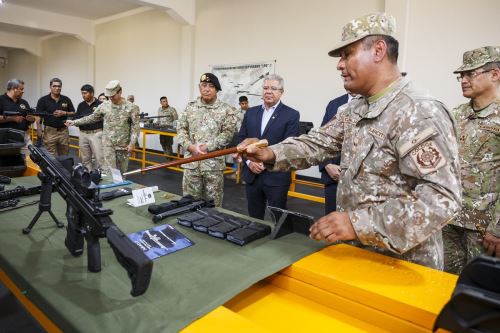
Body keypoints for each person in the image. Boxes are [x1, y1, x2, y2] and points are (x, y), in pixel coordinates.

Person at [238, 13, 462, 269]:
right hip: (355, 253)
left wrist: (357, 223)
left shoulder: (418, 111)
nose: (339, 65)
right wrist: (270, 154)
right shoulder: (355, 108)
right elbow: (318, 143)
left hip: (400, 264)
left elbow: (441, 198)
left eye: (347, 54)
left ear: (378, 50)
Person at [443, 46, 500, 274]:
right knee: (442, 282)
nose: (463, 80)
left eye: (470, 74)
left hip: (484, 227)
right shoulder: (456, 115)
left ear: (495, 74)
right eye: (461, 75)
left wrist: (497, 228)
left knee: (479, 289)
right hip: (449, 219)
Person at [237, 74, 300, 219]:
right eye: (265, 88)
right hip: (252, 175)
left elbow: (289, 146)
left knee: (278, 218)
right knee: (254, 218)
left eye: (273, 88)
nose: (268, 91)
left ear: (281, 92)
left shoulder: (291, 115)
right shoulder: (251, 113)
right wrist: (249, 161)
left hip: (276, 177)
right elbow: (241, 140)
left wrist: (265, 163)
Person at [176, 73, 238, 207]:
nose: (207, 89)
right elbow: (181, 129)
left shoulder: (227, 110)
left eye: (211, 86)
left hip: (213, 165)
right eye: (204, 85)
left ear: (217, 90)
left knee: (213, 206)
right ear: (199, 88)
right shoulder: (190, 107)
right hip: (191, 163)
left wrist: (207, 147)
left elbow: (227, 134)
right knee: (188, 203)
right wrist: (189, 146)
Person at [65, 80, 140, 175]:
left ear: (120, 92)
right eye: (109, 96)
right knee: (109, 172)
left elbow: (135, 127)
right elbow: (92, 118)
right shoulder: (104, 105)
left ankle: (120, 189)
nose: (111, 98)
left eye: (113, 95)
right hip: (108, 145)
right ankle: (110, 189)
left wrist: (132, 143)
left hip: (123, 146)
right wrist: (75, 122)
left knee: (121, 173)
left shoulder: (132, 107)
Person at [318, 92, 353, 214]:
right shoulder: (334, 104)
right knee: (331, 222)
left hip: (361, 184)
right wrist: (327, 165)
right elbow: (322, 139)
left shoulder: (375, 104)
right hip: (333, 176)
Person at [36, 78, 75, 156]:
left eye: (59, 86)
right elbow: (38, 117)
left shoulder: (66, 99)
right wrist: (39, 133)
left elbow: (73, 113)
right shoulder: (43, 100)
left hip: (63, 132)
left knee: (64, 156)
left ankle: (63, 168)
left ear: (61, 87)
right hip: (50, 132)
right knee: (51, 157)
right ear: (50, 87)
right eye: (54, 86)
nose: (57, 88)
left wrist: (64, 113)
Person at [0, 79, 36, 155]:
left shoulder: (24, 102)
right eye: (21, 89)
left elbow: (31, 119)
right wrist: (12, 118)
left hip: (24, 136)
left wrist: (32, 119)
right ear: (14, 88)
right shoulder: (1, 100)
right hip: (6, 138)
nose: (23, 91)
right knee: (10, 162)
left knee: (30, 158)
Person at [73, 84, 103, 171]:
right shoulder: (81, 105)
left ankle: (99, 176)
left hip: (96, 134)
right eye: (82, 93)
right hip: (83, 134)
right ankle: (88, 176)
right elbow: (76, 118)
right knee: (85, 158)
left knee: (99, 157)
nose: (83, 95)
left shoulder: (100, 104)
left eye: (85, 93)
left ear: (92, 93)